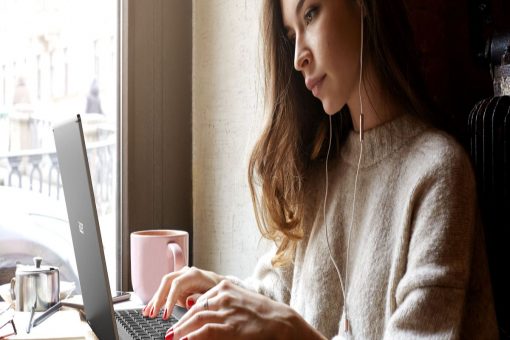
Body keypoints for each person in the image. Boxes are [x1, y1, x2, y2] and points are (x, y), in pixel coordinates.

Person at [143, 0, 499, 339]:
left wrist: (287, 330)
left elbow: (281, 321)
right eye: (291, 35)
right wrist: (216, 289)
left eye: (310, 14)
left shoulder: (438, 173)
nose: (299, 57)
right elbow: (275, 295)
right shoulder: (320, 174)